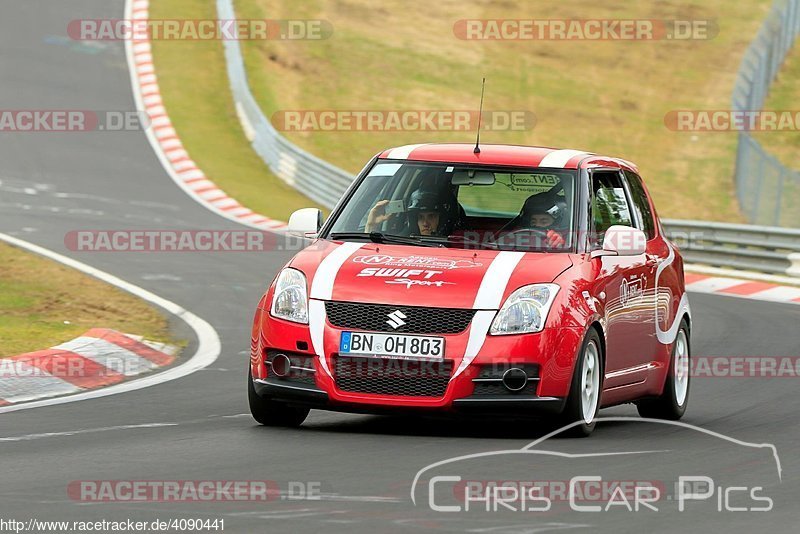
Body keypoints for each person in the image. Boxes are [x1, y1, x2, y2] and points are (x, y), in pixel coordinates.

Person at [365, 188, 457, 236]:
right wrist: (371, 225)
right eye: (420, 217)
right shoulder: (402, 242)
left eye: (431, 216)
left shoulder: (457, 245)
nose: (425, 223)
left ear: (442, 219)